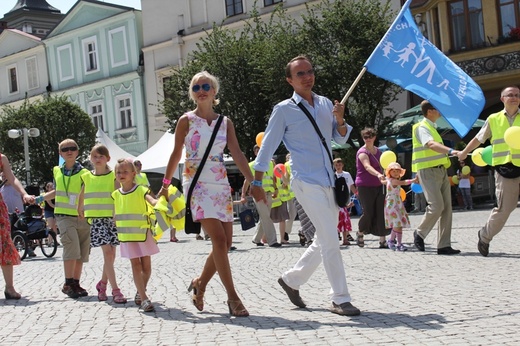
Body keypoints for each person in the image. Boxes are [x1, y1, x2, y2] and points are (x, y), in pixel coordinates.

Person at [251, 55, 360, 316]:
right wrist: (256, 180)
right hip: (305, 181)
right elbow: (267, 146)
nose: (307, 76)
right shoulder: (284, 109)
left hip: (329, 182)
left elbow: (340, 138)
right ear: (290, 79)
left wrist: (341, 120)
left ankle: (291, 280)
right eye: (300, 73)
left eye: (310, 71)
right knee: (330, 238)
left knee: (324, 237)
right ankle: (340, 298)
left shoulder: (324, 104)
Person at [160, 71, 255, 317]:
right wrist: (166, 182)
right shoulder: (186, 120)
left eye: (206, 86)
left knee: (227, 242)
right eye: (196, 87)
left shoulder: (225, 122)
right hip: (196, 182)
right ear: (192, 93)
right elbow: (175, 154)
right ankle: (233, 298)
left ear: (214, 92)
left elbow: (237, 152)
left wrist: (251, 179)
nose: (201, 90)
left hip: (220, 182)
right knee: (219, 240)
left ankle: (200, 284)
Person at [458, 85, 520, 257]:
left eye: (517, 95)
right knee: (505, 209)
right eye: (510, 95)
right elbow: (479, 138)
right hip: (505, 169)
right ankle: (485, 236)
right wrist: (464, 152)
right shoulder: (493, 119)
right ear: (502, 99)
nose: (514, 97)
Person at [78, 144, 127, 304]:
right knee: (108, 253)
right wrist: (80, 208)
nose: (97, 159)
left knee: (111, 255)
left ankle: (103, 284)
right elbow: (82, 193)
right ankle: (116, 290)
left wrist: (117, 214)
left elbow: (118, 195)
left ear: (108, 158)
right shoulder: (86, 176)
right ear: (90, 158)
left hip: (111, 219)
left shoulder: (113, 176)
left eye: (101, 156)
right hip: (96, 219)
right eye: (94, 156)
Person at [44, 139, 91, 298]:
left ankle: (76, 283)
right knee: (72, 249)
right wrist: (39, 199)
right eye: (65, 149)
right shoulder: (57, 171)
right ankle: (68, 283)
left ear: (77, 152)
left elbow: (88, 194)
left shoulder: (86, 173)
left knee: (82, 253)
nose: (69, 151)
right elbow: (57, 191)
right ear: (60, 154)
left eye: (72, 148)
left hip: (83, 217)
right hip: (64, 216)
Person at [412, 100, 460, 255]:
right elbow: (431, 145)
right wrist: (452, 151)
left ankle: (444, 245)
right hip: (428, 171)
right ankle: (419, 233)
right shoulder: (422, 127)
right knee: (437, 206)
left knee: (447, 208)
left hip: (440, 171)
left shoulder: (433, 128)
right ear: (430, 111)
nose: (440, 111)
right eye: (437, 109)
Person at [112, 158, 159, 312]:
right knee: (135, 265)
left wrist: (159, 203)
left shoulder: (140, 189)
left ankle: (140, 292)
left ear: (133, 174)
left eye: (125, 171)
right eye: (119, 172)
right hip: (127, 237)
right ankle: (144, 298)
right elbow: (115, 214)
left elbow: (151, 199)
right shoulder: (115, 194)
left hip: (143, 234)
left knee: (146, 267)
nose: (121, 174)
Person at [0, 153, 35, 299]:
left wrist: (24, 194)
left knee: (5, 244)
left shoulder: (2, 158)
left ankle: (10, 288)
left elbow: (12, 178)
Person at [240, 145, 280, 247]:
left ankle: (256, 239)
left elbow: (272, 178)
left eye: (261, 150)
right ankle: (272, 241)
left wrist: (276, 189)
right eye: (258, 150)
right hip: (258, 194)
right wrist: (243, 194)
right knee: (266, 216)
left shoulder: (270, 163)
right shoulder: (252, 165)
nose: (260, 152)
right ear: (255, 153)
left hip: (269, 193)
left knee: (264, 217)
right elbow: (246, 181)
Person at [355, 127, 388, 248]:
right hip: (364, 185)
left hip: (379, 185)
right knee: (368, 212)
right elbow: (367, 166)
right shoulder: (362, 152)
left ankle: (382, 240)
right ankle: (360, 232)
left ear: (374, 137)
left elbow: (385, 166)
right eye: (365, 137)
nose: (367, 139)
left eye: (369, 137)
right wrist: (378, 174)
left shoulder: (379, 152)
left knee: (381, 211)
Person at [383, 162, 417, 251]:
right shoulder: (393, 181)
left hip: (396, 203)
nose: (395, 173)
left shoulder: (388, 180)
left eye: (397, 171)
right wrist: (413, 180)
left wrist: (381, 177)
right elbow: (403, 182)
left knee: (398, 224)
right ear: (390, 172)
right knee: (398, 224)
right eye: (393, 171)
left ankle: (392, 241)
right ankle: (398, 244)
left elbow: (382, 181)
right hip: (393, 205)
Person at [333, 158, 357, 246]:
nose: (338, 167)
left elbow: (351, 186)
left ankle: (345, 239)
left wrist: (357, 195)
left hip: (345, 200)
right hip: (335, 201)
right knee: (336, 220)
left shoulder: (347, 174)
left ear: (342, 165)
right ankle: (336, 238)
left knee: (344, 220)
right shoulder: (333, 176)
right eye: (336, 165)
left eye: (339, 165)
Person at [43, 182, 59, 246]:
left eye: (53, 187)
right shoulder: (47, 195)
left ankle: (55, 240)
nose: (52, 188)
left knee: (55, 226)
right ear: (48, 188)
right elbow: (51, 204)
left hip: (55, 211)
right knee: (51, 226)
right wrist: (58, 207)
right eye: (51, 187)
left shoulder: (56, 195)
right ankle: (49, 241)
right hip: (48, 211)